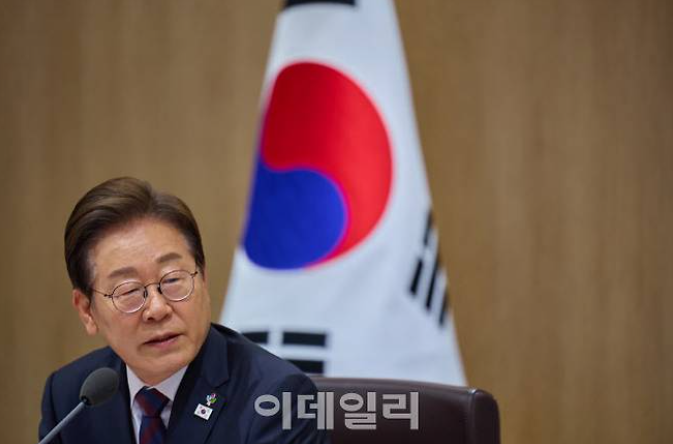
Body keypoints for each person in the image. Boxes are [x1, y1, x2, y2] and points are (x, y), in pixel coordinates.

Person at [39, 177, 328, 444]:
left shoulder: (277, 399)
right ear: (87, 311)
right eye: (128, 291)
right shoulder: (70, 397)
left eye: (173, 280)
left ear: (203, 279)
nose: (157, 308)